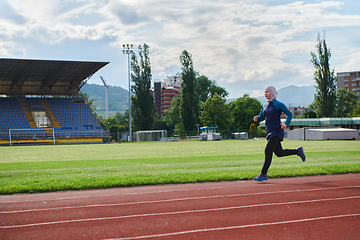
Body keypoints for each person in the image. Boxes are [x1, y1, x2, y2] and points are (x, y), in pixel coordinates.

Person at [253, 86, 306, 182]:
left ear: (272, 92)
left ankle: (263, 174)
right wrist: (258, 118)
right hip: (269, 132)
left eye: (267, 92)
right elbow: (262, 116)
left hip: (276, 131)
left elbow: (289, 114)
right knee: (279, 153)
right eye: (264, 92)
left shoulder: (278, 104)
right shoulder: (264, 105)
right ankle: (297, 151)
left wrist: (286, 124)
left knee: (267, 150)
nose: (265, 94)